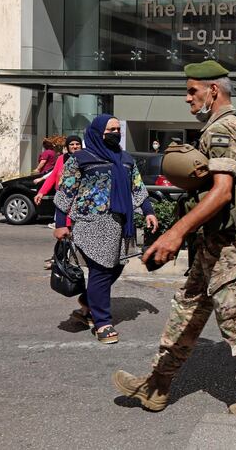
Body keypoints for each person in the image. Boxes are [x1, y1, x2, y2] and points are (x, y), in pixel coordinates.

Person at [112, 60, 236, 417]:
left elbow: (223, 192)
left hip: (223, 242)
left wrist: (175, 233)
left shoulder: (223, 130)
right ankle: (158, 385)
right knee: (188, 309)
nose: (187, 98)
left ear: (214, 91)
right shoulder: (229, 127)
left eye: (192, 90)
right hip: (212, 242)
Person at [53, 116, 158, 344]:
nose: (116, 132)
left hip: (119, 224)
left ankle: (88, 302)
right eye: (110, 129)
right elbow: (66, 190)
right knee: (101, 270)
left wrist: (148, 211)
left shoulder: (126, 159)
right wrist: (61, 223)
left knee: (115, 267)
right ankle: (102, 322)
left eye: (118, 129)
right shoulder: (81, 158)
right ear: (98, 132)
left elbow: (137, 187)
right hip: (90, 222)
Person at [36, 135, 82, 268]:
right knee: (62, 232)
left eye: (77, 144)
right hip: (62, 201)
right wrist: (41, 192)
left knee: (73, 232)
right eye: (72, 144)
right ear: (67, 147)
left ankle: (63, 259)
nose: (74, 146)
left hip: (77, 201)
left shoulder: (85, 160)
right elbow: (52, 176)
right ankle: (59, 259)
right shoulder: (61, 159)